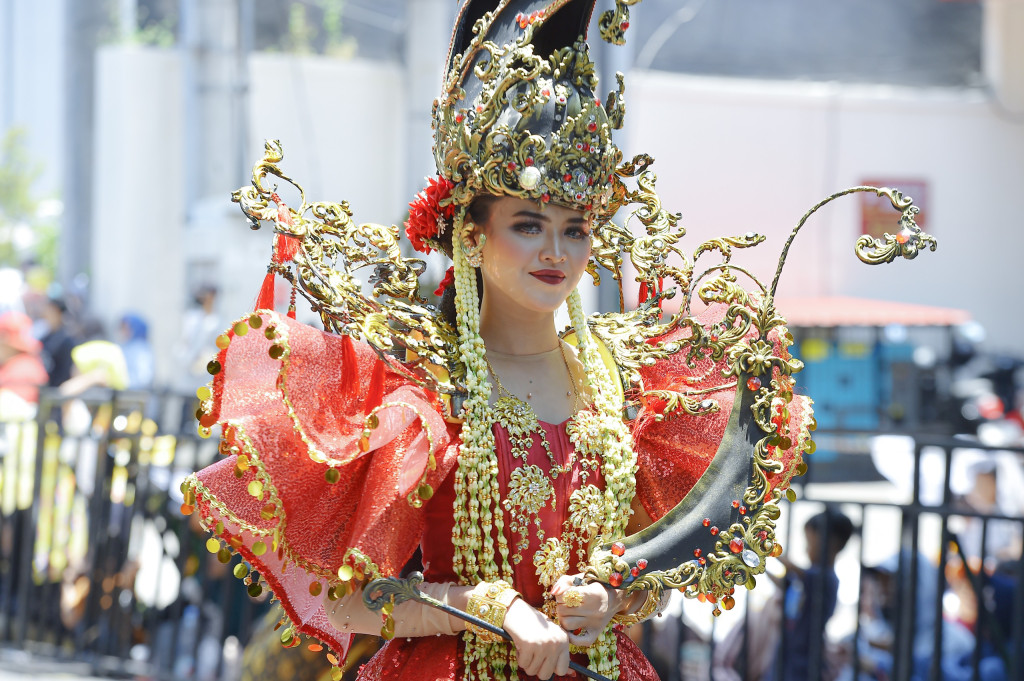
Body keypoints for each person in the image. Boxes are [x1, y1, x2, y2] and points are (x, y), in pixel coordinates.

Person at [183, 2, 814, 680]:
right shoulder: (423, 387)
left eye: (575, 229)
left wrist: (613, 598)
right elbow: (350, 600)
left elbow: (654, 562)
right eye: (528, 225)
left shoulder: (621, 381)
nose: (556, 251)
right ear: (472, 235)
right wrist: (491, 608)